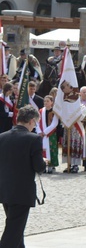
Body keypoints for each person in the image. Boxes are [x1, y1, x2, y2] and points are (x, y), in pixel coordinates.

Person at [0, 105, 47, 248]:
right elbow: (38, 167)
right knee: (13, 232)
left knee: (16, 228)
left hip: (5, 190)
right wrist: (44, 162)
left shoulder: (2, 137)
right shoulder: (33, 139)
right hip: (21, 192)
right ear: (32, 121)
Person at [37, 95, 60, 173]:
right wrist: (40, 132)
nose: (46, 103)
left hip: (51, 134)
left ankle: (51, 165)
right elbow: (37, 122)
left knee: (51, 149)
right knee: (42, 149)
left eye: (48, 101)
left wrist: (45, 132)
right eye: (45, 101)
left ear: (52, 102)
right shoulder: (40, 111)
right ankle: (43, 166)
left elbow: (54, 123)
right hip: (41, 134)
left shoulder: (54, 112)